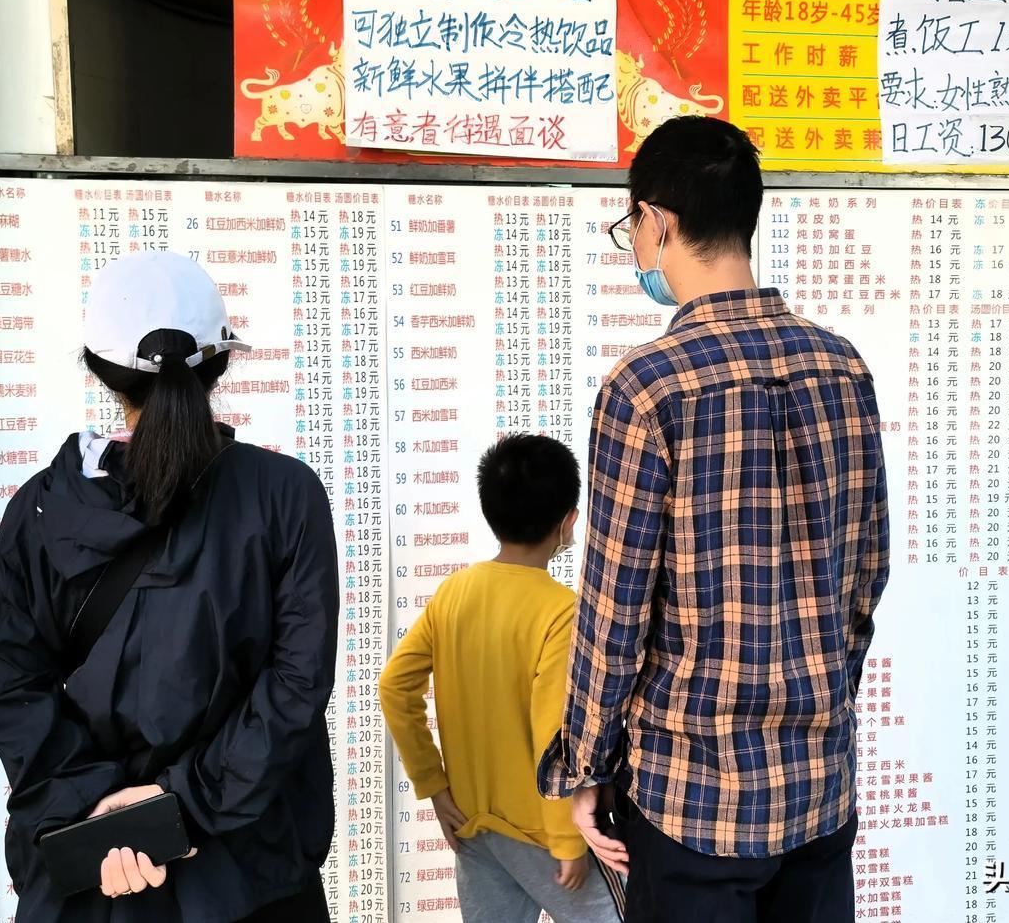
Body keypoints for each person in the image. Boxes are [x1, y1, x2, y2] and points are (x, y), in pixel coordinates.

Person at [537, 116, 890, 923]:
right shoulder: (843, 367)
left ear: (656, 221)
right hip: (820, 794)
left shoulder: (646, 388)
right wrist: (820, 701)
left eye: (631, 226)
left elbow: (614, 614)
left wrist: (584, 766)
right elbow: (867, 577)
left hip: (692, 803)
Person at [0, 251, 339, 922]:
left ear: (98, 368)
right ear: (219, 363)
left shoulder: (40, 509)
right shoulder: (285, 496)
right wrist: (179, 806)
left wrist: (97, 807)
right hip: (248, 874)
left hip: (92, 877)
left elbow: (9, 681)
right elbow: (296, 684)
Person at [380, 433, 623, 923]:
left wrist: (434, 786)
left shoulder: (455, 591)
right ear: (569, 521)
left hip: (472, 825)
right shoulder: (562, 612)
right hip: (541, 835)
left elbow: (394, 685)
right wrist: (567, 841)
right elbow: (554, 735)